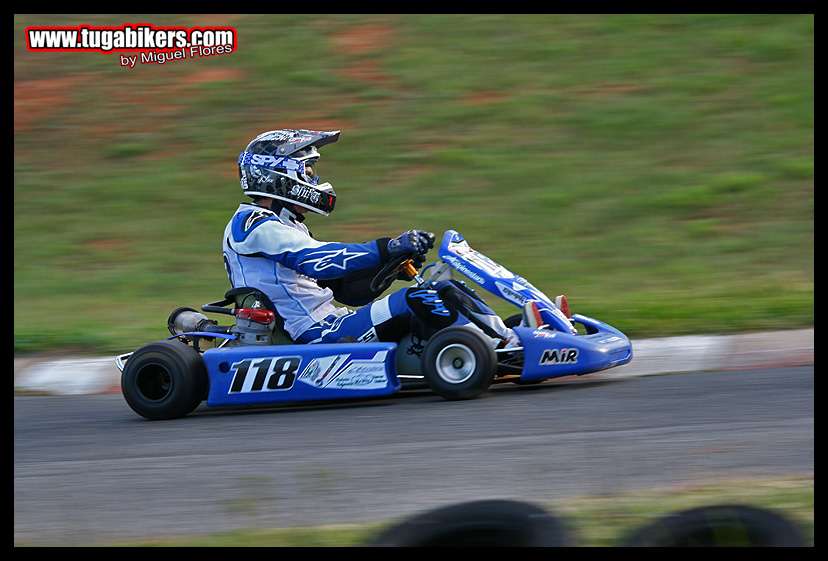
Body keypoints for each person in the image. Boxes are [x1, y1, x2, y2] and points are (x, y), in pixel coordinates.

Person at [222, 128, 519, 348]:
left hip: (334, 322)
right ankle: (493, 348)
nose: (313, 181)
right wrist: (387, 246)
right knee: (420, 297)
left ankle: (505, 336)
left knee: (445, 288)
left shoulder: (286, 226)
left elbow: (348, 292)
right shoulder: (253, 224)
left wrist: (390, 266)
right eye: (308, 172)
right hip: (315, 335)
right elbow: (319, 261)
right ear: (276, 176)